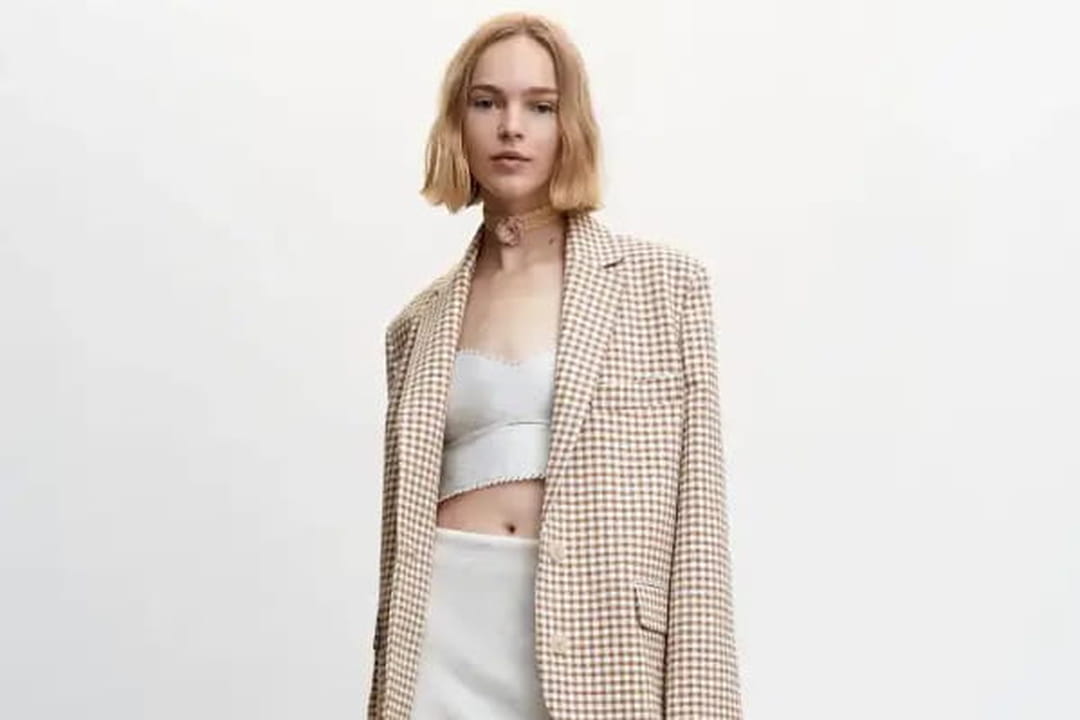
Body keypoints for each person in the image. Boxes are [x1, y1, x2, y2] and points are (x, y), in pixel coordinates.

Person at [367, 12, 743, 720]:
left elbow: (699, 545)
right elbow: (398, 555)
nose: (511, 127)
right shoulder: (415, 326)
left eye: (539, 106)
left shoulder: (665, 289)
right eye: (486, 102)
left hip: (598, 646)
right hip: (444, 637)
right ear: (458, 124)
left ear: (570, 126)